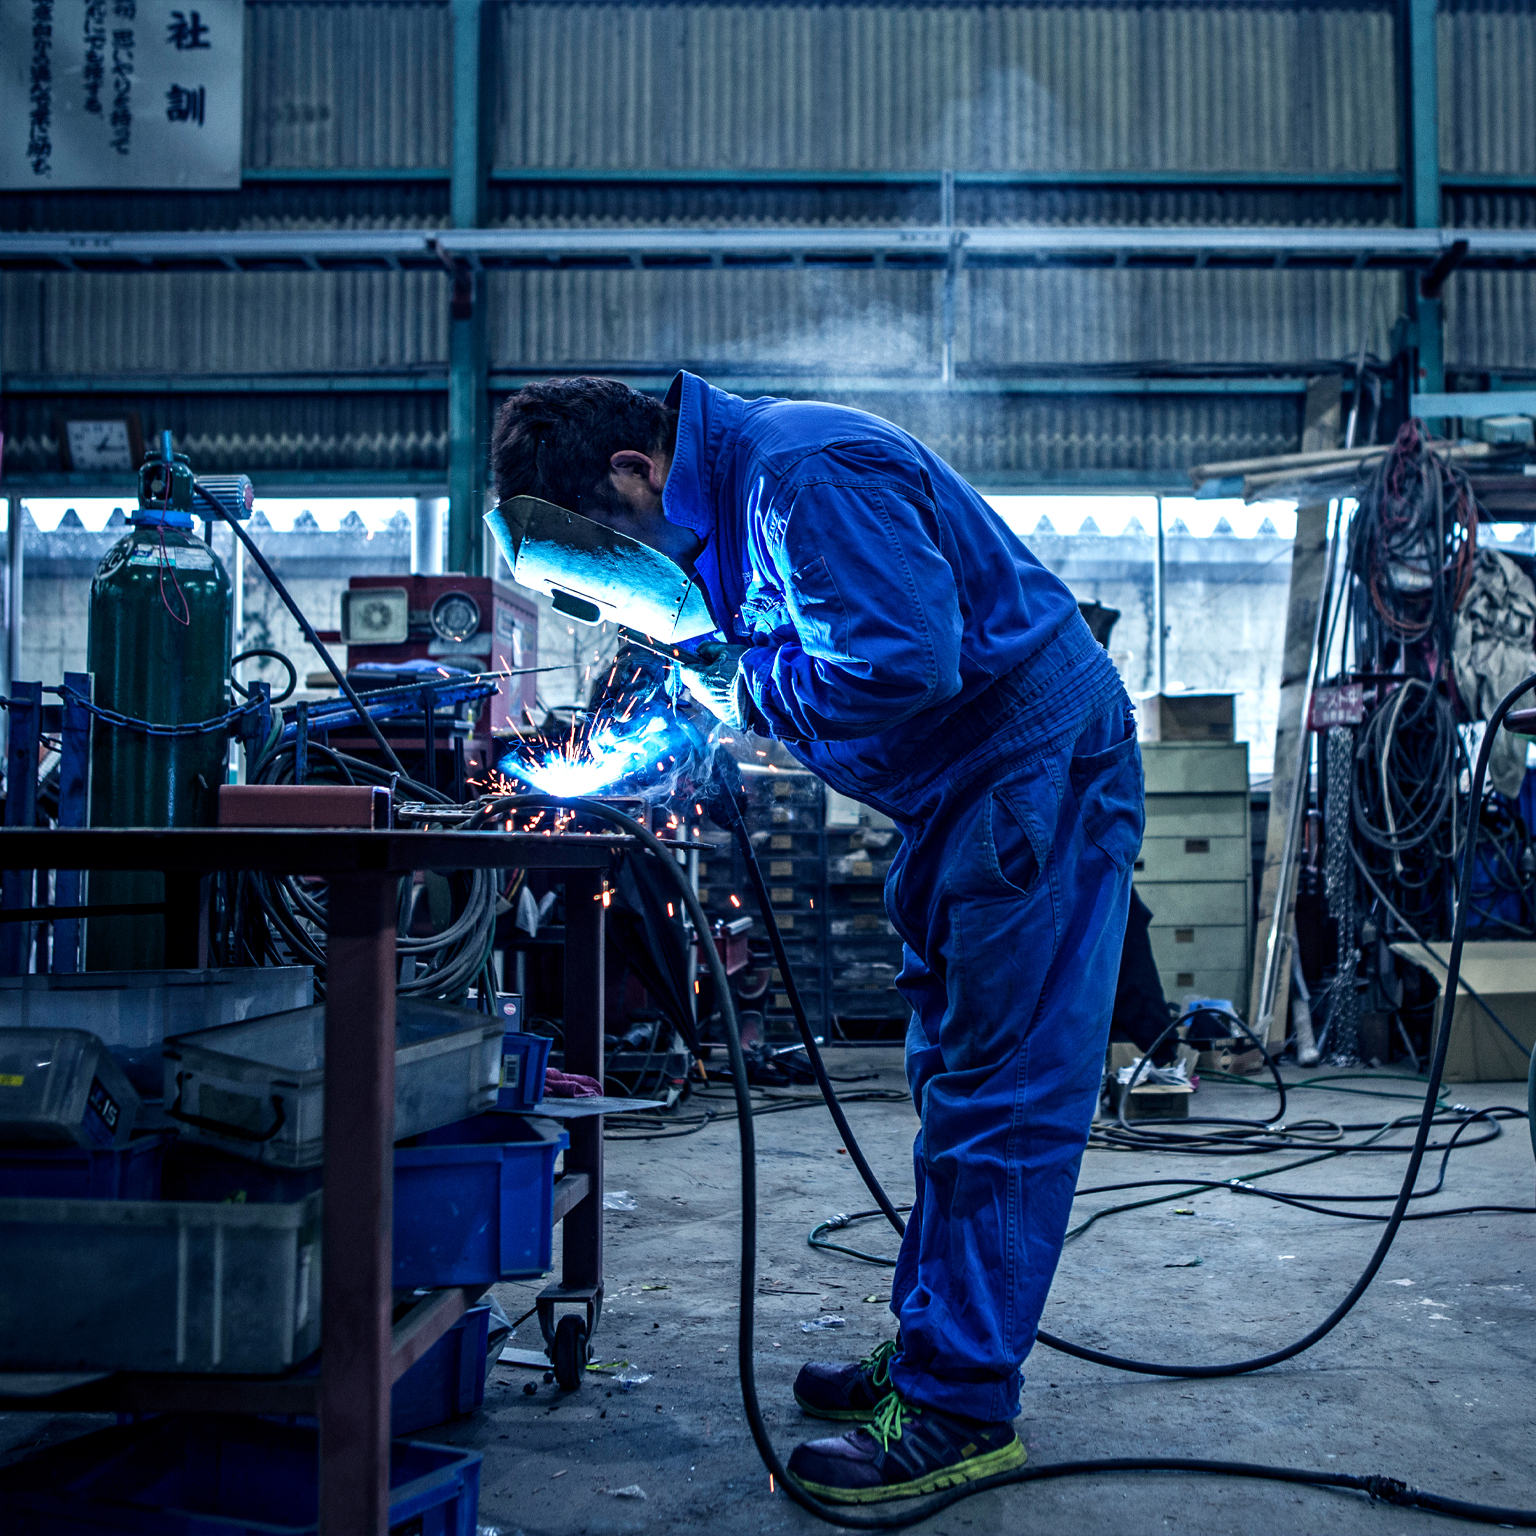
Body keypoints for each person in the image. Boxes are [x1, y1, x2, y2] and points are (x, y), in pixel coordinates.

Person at [490, 373, 1143, 1505]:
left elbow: (900, 664)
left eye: (634, 547)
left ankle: (959, 1410)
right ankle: (936, 1350)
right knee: (952, 1086)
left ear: (637, 473)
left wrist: (740, 688)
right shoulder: (740, 495)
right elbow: (759, 638)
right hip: (967, 795)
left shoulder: (797, 477)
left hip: (1031, 778)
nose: (663, 576)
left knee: (1004, 1100)